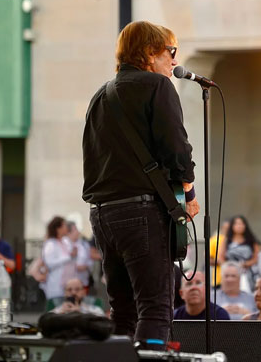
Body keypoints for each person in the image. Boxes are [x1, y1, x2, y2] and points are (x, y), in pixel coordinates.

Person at [82, 21, 200, 349]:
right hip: (142, 211)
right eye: (170, 51)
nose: (174, 60)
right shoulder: (158, 87)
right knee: (156, 306)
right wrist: (188, 193)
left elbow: (91, 159)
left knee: (123, 308)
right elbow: (177, 149)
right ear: (149, 53)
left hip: (103, 214)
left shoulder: (100, 95)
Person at [217, 215, 259, 292]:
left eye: (241, 224)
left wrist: (246, 264)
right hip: (231, 273)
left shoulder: (251, 240)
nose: (239, 226)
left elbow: (256, 258)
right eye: (237, 224)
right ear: (232, 226)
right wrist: (230, 266)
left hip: (247, 274)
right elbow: (220, 257)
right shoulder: (227, 240)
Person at [40, 216, 77, 302]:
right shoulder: (50, 244)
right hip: (56, 284)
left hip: (68, 283)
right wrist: (68, 257)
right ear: (58, 228)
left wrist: (73, 255)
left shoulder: (66, 241)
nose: (66, 228)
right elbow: (50, 263)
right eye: (64, 225)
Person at [66, 221, 93, 290]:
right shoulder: (63, 245)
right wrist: (75, 266)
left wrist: (86, 266)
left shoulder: (84, 244)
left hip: (83, 281)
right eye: (75, 229)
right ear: (68, 232)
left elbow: (90, 260)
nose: (78, 231)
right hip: (68, 283)